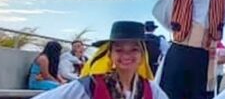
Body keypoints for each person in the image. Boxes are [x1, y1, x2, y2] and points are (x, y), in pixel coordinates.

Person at [34, 21, 169, 99]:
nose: (126, 55)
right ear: (110, 55)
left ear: (142, 55)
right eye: (119, 50)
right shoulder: (90, 85)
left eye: (134, 49)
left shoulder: (152, 89)